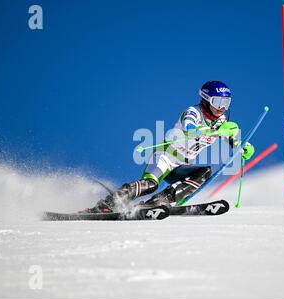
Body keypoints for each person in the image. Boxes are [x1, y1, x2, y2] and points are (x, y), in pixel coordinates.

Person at [84, 80, 255, 213]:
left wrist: (243, 147)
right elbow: (189, 129)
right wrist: (215, 131)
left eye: (226, 102)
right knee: (150, 184)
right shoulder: (193, 112)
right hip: (165, 157)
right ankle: (107, 204)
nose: (222, 108)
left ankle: (159, 202)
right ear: (206, 99)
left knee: (204, 171)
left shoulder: (221, 121)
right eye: (218, 102)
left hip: (182, 165)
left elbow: (231, 140)